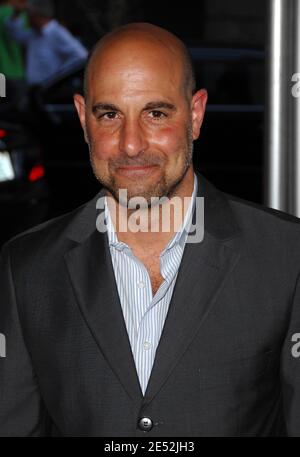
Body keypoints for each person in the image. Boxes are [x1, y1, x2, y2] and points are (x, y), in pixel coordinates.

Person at [0, 22, 300, 437]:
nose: (130, 144)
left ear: (195, 115)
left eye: (155, 113)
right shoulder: (26, 268)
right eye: (109, 115)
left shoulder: (287, 255)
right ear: (83, 119)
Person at [4, 0, 88, 86]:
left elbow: (81, 55)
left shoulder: (56, 32)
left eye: (29, 13)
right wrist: (16, 14)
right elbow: (15, 34)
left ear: (36, 14)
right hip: (37, 89)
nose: (27, 17)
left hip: (51, 89)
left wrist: (59, 76)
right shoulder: (34, 34)